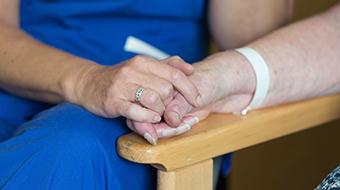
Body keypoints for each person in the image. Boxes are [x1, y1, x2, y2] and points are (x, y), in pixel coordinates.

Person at [0, 0, 338, 189]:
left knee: (69, 150)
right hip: (28, 68)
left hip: (158, 96)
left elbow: (254, 36)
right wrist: (87, 79)